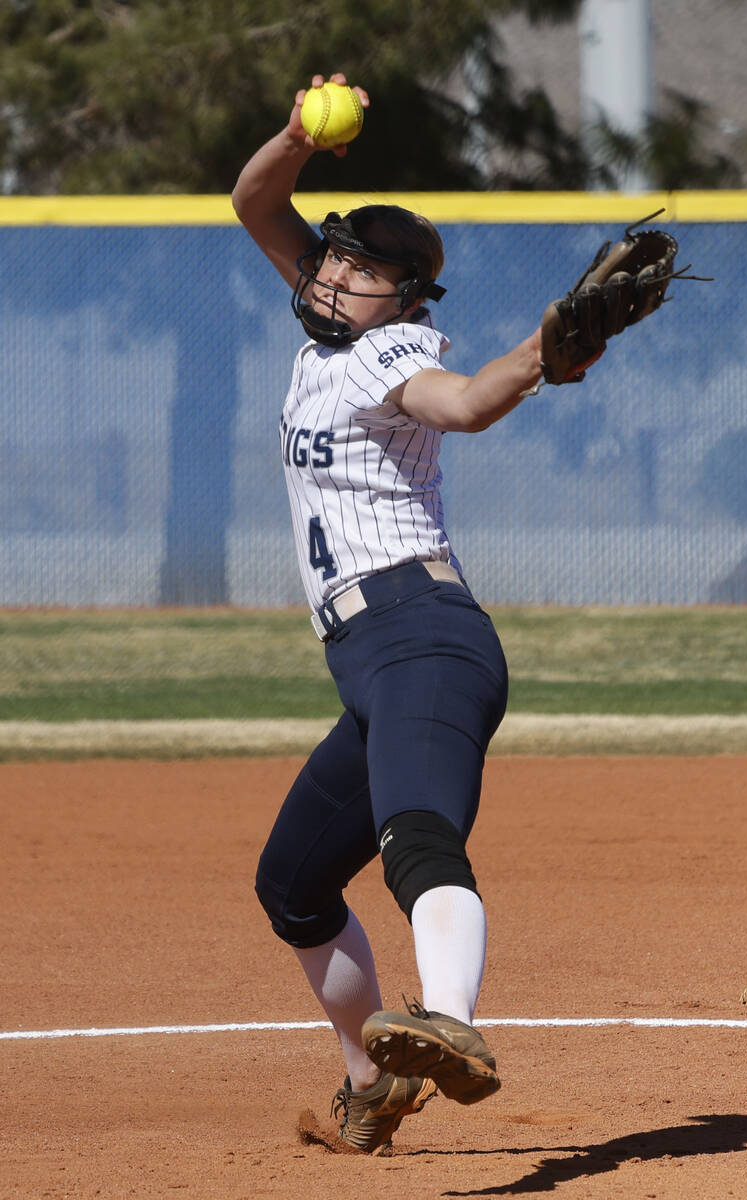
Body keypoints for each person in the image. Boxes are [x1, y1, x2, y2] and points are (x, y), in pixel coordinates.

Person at [232, 72, 544, 1154]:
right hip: (366, 665)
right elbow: (254, 204)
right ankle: (373, 1079)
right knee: (293, 886)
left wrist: (542, 354)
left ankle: (452, 1026)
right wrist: (292, 135)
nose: (332, 274)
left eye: (362, 269)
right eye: (331, 257)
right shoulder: (328, 329)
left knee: (417, 841)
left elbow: (460, 406)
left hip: (423, 638)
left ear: (405, 300)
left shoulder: (390, 350)